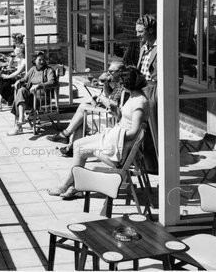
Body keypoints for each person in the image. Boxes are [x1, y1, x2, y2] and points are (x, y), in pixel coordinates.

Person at [48, 65, 148, 198]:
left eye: (122, 82)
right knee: (77, 144)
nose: (121, 85)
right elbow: (125, 120)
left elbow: (133, 132)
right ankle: (74, 186)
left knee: (79, 149)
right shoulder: (133, 96)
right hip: (116, 138)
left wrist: (113, 137)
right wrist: (116, 112)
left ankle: (68, 185)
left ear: (129, 83)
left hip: (120, 149)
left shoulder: (139, 103)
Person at [47, 61, 125, 157]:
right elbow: (109, 97)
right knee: (82, 113)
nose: (108, 73)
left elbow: (113, 105)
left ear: (120, 71)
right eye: (108, 71)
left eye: (111, 71)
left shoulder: (124, 85)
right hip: (110, 113)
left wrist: (100, 97)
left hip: (114, 118)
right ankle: (70, 145)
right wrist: (105, 83)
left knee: (82, 111)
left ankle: (67, 137)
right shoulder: (117, 83)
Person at [7, 51, 57, 136]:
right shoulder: (33, 69)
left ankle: (18, 127)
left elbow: (52, 82)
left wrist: (39, 85)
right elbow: (25, 79)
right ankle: (21, 119)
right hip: (31, 97)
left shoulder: (49, 70)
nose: (42, 61)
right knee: (21, 91)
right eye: (40, 60)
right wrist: (18, 81)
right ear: (34, 60)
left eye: (43, 59)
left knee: (18, 98)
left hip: (42, 98)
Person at [135, 14, 158, 173]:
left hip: (154, 90)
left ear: (150, 30)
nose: (138, 35)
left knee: (153, 129)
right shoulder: (144, 47)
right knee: (140, 128)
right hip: (142, 89)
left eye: (141, 31)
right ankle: (145, 164)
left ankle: (155, 166)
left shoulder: (162, 47)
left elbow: (178, 77)